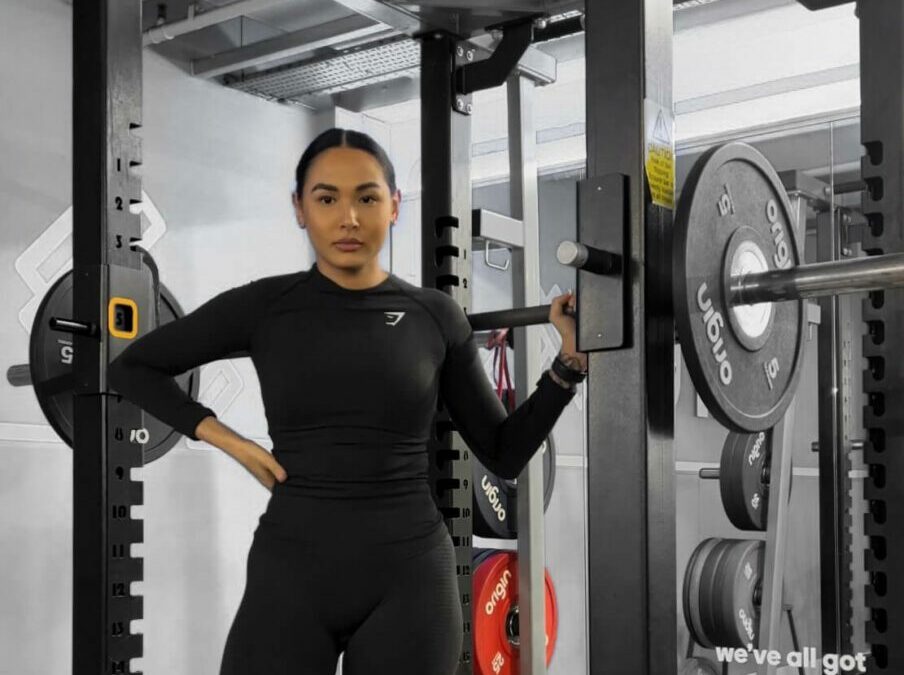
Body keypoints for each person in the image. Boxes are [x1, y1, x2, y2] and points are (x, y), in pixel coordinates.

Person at [107, 127, 588, 675]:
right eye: (327, 198)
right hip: (293, 567)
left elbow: (502, 451)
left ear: (394, 206)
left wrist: (566, 367)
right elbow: (134, 368)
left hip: (408, 577)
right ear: (299, 208)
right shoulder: (266, 306)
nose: (349, 218)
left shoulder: (435, 316)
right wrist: (227, 440)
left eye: (367, 197)